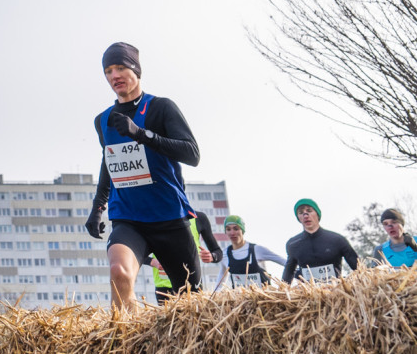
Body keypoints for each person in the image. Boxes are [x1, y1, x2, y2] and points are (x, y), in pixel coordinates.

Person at [84, 42, 202, 310]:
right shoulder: (102, 120)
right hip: (128, 217)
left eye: (121, 67)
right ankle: (127, 341)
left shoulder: (161, 108)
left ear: (136, 70)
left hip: (169, 217)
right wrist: (97, 207)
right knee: (119, 272)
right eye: (108, 70)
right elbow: (109, 163)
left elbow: (192, 154)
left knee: (192, 303)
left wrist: (140, 133)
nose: (114, 75)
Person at [148, 210, 223, 305]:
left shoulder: (198, 217)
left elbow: (218, 252)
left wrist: (212, 256)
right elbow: (135, 252)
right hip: (164, 287)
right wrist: (152, 261)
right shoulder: (153, 218)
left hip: (192, 285)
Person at [282, 199, 359, 283]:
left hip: (336, 292)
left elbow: (359, 268)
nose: (305, 215)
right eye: (301, 213)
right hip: (308, 295)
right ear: (298, 218)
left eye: (309, 211)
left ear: (317, 214)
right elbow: (287, 275)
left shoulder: (337, 239)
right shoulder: (293, 244)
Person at [213, 215, 287, 289]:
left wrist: (287, 283)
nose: (232, 233)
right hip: (241, 299)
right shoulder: (224, 254)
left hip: (263, 297)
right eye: (228, 229)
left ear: (242, 230)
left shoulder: (257, 249)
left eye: (236, 229)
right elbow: (221, 279)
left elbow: (286, 263)